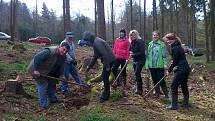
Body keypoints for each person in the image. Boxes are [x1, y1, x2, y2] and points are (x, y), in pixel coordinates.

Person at [27, 42, 70, 109]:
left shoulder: (63, 57)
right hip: (38, 70)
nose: (64, 52)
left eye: (66, 51)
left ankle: (53, 99)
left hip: (49, 71)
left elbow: (61, 66)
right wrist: (36, 70)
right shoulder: (49, 51)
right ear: (60, 47)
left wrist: (61, 75)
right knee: (42, 84)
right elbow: (37, 58)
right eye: (63, 49)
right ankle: (44, 105)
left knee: (52, 83)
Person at [81, 31, 116, 103]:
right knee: (104, 76)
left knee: (105, 77)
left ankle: (105, 96)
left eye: (87, 41)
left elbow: (104, 55)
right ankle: (106, 94)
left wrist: (107, 67)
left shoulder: (97, 43)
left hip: (109, 61)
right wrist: (89, 67)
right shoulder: (95, 42)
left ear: (89, 39)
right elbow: (95, 56)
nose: (87, 43)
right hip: (108, 60)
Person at [163, 33, 190, 110]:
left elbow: (174, 61)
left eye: (169, 40)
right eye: (167, 40)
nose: (168, 41)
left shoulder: (175, 48)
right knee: (184, 85)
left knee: (174, 86)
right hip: (185, 68)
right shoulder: (178, 46)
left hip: (181, 69)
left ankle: (174, 105)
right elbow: (176, 60)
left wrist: (169, 70)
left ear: (174, 39)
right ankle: (185, 104)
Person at [145, 31, 168, 98]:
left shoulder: (162, 45)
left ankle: (166, 94)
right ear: (152, 36)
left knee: (161, 80)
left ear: (159, 36)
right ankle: (157, 94)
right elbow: (148, 56)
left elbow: (164, 56)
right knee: (154, 80)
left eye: (157, 35)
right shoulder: (150, 44)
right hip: (152, 66)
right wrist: (147, 65)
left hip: (159, 66)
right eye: (154, 35)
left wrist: (165, 64)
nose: (155, 36)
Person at [129, 30, 146, 95]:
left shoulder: (140, 41)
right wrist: (130, 52)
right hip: (135, 60)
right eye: (131, 35)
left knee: (137, 72)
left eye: (134, 35)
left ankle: (140, 90)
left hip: (141, 60)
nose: (132, 36)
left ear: (136, 35)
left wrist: (133, 55)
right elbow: (130, 50)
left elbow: (141, 52)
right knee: (136, 74)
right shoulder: (132, 42)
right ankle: (138, 88)